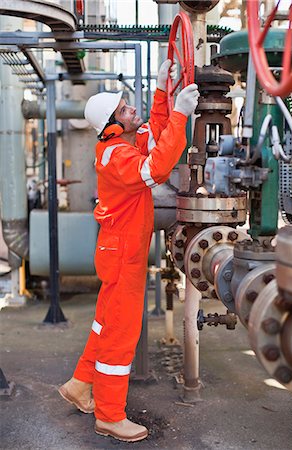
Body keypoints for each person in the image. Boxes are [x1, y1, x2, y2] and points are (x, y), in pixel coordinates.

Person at [58, 60, 199, 442]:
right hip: (124, 255)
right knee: (120, 334)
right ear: (112, 126)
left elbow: (152, 133)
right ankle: (109, 415)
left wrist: (161, 91)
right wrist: (183, 114)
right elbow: (157, 167)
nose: (130, 109)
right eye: (123, 109)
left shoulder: (117, 145)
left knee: (104, 323)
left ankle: (79, 384)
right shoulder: (118, 157)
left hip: (117, 249)